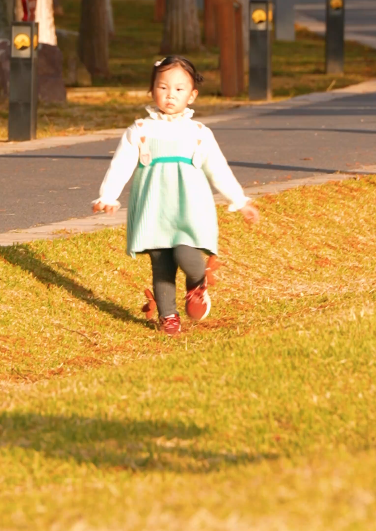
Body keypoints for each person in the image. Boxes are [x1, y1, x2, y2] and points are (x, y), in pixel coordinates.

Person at [93, 55, 259, 336]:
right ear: (152, 90)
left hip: (189, 207)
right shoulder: (140, 130)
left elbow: (218, 168)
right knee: (161, 263)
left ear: (192, 95)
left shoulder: (199, 133)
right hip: (152, 206)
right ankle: (168, 316)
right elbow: (121, 164)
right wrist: (108, 196)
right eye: (163, 87)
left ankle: (197, 283)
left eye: (179, 89)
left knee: (185, 251)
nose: (171, 95)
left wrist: (239, 200)